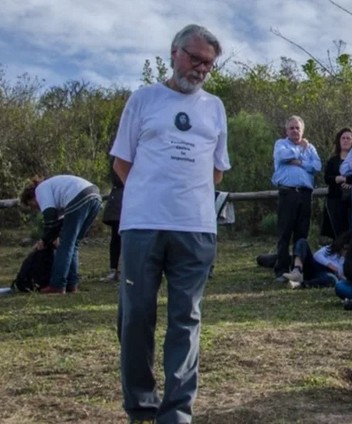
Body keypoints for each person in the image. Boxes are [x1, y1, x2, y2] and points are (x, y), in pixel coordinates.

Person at [112, 24, 230, 423]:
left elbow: (216, 172)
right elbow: (122, 163)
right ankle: (141, 407)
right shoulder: (143, 100)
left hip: (195, 229)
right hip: (143, 225)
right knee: (136, 315)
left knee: (187, 317)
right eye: (194, 59)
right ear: (174, 52)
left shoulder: (215, 107)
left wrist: (184, 199)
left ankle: (177, 411)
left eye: (208, 64)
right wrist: (152, 196)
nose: (199, 69)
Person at [19, 174, 103, 294]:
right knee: (73, 243)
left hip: (79, 196)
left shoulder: (40, 190)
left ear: (32, 197)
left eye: (31, 205)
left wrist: (43, 240)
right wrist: (51, 238)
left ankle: (57, 285)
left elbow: (50, 220)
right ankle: (71, 285)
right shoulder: (53, 190)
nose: (34, 208)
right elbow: (59, 224)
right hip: (94, 196)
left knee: (65, 245)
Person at [271, 115, 322, 281]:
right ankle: (281, 270)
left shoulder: (311, 147)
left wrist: (299, 162)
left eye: (297, 128)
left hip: (305, 194)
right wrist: (300, 149)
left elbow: (317, 166)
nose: (295, 131)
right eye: (291, 128)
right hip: (288, 193)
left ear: (303, 130)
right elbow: (283, 157)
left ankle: (298, 269)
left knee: (302, 233)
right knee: (285, 233)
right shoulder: (281, 144)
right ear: (286, 130)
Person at [322, 128, 352, 239]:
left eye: (348, 138)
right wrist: (339, 178)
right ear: (339, 140)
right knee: (337, 233)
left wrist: (351, 184)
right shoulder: (333, 160)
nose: (345, 140)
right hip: (335, 200)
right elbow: (327, 178)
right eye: (343, 138)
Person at [284, 232, 350, 289]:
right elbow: (317, 255)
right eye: (345, 248)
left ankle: (300, 284)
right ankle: (297, 271)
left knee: (332, 280)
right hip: (314, 266)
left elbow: (343, 277)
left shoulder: (348, 260)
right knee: (302, 241)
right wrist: (332, 266)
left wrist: (341, 275)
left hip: (327, 274)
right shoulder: (331, 249)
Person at [101, 154, 125, 283]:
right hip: (119, 201)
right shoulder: (117, 160)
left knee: (123, 238)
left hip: (126, 199)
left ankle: (121, 270)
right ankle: (115, 270)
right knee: (116, 238)